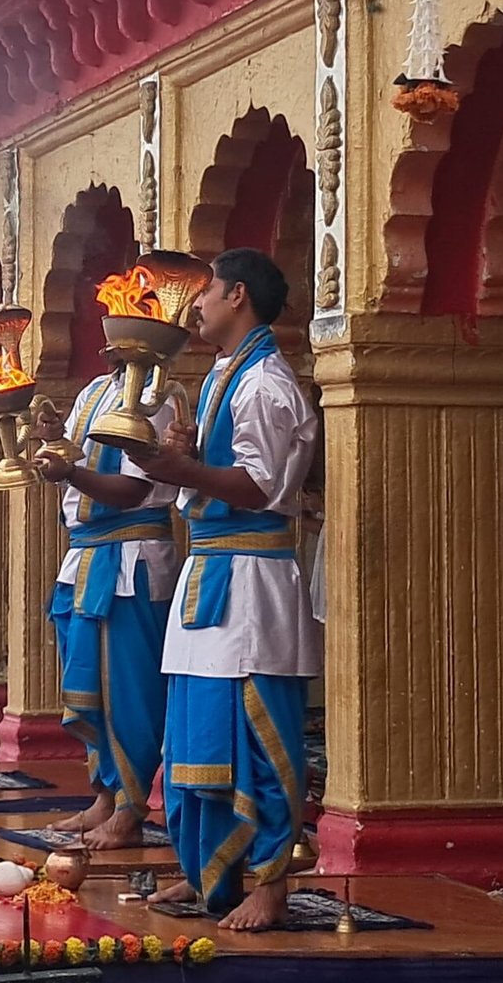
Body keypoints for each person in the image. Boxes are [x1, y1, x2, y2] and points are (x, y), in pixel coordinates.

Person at [130, 248, 320, 932]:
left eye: (205, 290)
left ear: (237, 295)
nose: (197, 303)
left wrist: (180, 465)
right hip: (208, 572)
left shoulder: (265, 382)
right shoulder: (221, 375)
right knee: (195, 735)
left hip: (251, 581)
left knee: (259, 736)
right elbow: (215, 473)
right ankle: (207, 868)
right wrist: (181, 459)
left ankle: (269, 883)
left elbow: (261, 486)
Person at [32, 349, 181, 850]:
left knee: (129, 692)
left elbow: (131, 489)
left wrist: (67, 473)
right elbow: (70, 457)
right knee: (87, 686)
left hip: (130, 558)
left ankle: (131, 808)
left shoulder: (156, 394)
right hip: (85, 556)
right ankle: (104, 793)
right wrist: (53, 441)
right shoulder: (94, 389)